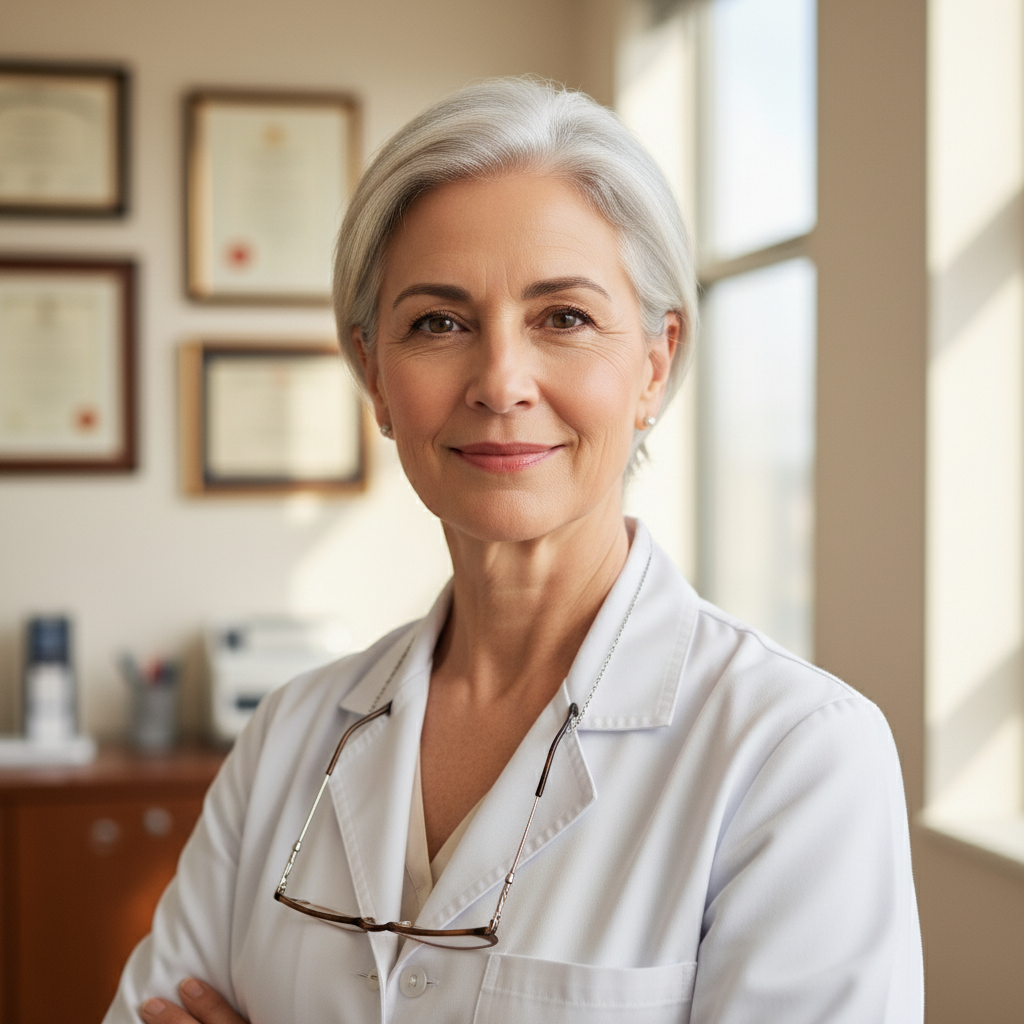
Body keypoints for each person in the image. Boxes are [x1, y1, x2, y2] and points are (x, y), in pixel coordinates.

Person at [106, 78, 923, 1024]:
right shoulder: (288, 737)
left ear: (655, 362)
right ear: (374, 373)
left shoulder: (796, 755)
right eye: (438, 323)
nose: (500, 382)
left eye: (563, 318)